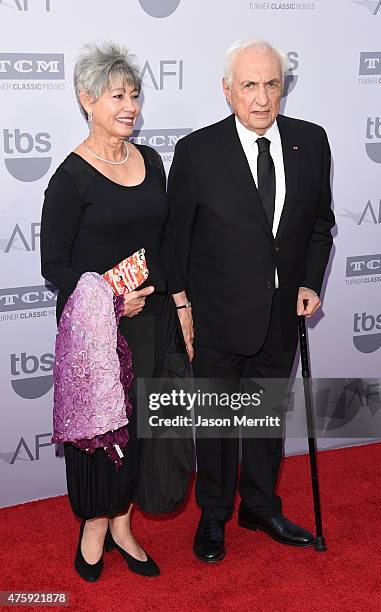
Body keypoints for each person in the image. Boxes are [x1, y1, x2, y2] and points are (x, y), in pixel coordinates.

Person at [167, 38, 335, 563]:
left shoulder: (312, 142)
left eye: (271, 84)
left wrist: (309, 282)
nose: (261, 98)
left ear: (283, 88)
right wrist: (182, 308)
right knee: (216, 425)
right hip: (216, 319)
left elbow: (320, 226)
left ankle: (260, 506)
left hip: (281, 315)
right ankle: (213, 514)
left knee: (264, 419)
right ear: (227, 91)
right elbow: (177, 241)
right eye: (248, 85)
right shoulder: (197, 152)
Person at [40, 42, 191, 581]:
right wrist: (106, 299)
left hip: (149, 323)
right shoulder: (71, 177)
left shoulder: (150, 160)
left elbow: (165, 244)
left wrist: (180, 303)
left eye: (134, 94)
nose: (130, 105)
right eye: (116, 96)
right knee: (99, 434)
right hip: (95, 333)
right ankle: (93, 528)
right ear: (86, 100)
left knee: (142, 431)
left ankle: (124, 525)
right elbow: (52, 264)